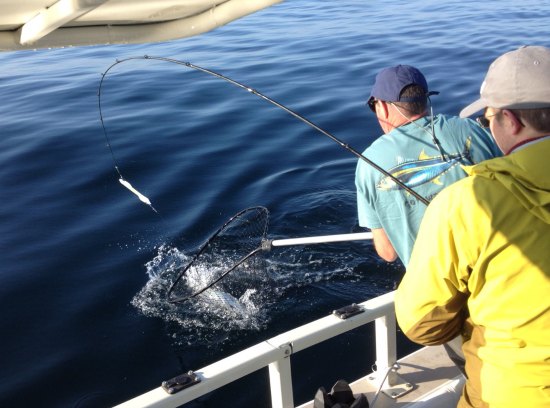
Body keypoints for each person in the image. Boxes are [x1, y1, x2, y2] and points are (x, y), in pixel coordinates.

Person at [395, 45, 550, 408]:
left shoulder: (467, 201)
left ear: (511, 121)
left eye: (488, 118)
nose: (489, 126)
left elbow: (420, 323)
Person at [355, 65, 501, 267]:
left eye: (374, 105)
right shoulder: (474, 129)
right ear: (426, 100)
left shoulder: (369, 163)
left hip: (437, 287)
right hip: (499, 264)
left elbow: (388, 253)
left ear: (384, 106)